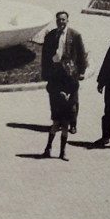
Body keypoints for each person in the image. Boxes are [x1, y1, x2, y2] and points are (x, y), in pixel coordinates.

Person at [40, 11, 87, 160]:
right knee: (55, 105)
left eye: (63, 20)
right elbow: (45, 55)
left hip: (70, 74)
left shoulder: (75, 35)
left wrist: (81, 72)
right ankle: (52, 136)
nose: (61, 22)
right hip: (55, 74)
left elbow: (81, 55)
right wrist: (45, 73)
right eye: (59, 20)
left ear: (68, 20)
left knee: (71, 104)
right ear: (56, 21)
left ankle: (71, 124)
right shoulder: (51, 35)